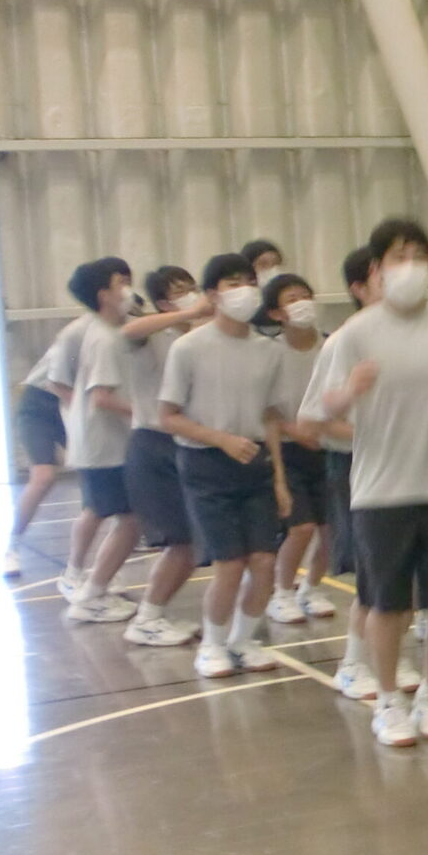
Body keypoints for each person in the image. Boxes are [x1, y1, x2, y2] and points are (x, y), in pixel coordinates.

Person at [302, 219, 428, 747]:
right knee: (387, 603)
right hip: (380, 491)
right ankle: (390, 699)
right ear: (376, 269)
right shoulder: (354, 335)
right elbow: (313, 416)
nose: (411, 266)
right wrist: (349, 391)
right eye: (399, 256)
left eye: (419, 256)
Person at [159, 253, 293, 679]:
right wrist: (221, 439)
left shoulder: (269, 351)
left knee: (264, 563)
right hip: (205, 463)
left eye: (249, 281)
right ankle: (212, 645)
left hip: (255, 461)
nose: (244, 290)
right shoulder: (188, 347)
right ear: (213, 294)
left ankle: (243, 640)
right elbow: (169, 416)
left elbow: (270, 417)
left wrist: (279, 479)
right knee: (230, 564)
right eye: (233, 283)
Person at [306, 246, 422, 703]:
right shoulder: (344, 342)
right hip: (357, 467)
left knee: (407, 574)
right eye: (386, 273)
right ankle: (354, 662)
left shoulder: (416, 337)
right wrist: (372, 435)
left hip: (411, 467)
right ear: (360, 287)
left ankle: (390, 654)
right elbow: (315, 421)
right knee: (374, 576)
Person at [116, 265, 212, 646]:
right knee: (181, 542)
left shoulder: (200, 340)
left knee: (191, 542)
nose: (191, 295)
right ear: (162, 303)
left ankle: (153, 615)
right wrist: (191, 312)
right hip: (154, 445)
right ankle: (147, 618)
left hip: (188, 446)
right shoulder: (154, 336)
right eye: (180, 291)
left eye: (192, 288)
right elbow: (128, 332)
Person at [60, 257, 144, 624]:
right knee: (130, 520)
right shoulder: (104, 338)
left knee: (115, 515)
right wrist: (149, 415)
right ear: (103, 295)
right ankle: (90, 593)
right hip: (105, 446)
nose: (128, 289)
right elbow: (103, 398)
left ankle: (88, 582)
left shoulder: (112, 330)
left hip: (106, 444)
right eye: (119, 283)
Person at [262, 272, 337, 628]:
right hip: (289, 451)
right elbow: (267, 414)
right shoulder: (269, 353)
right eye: (292, 299)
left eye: (305, 296)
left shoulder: (331, 346)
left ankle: (311, 588)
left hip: (328, 448)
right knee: (301, 527)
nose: (302, 304)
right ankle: (281, 592)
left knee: (332, 529)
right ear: (276, 313)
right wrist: (294, 433)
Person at [5, 313, 90, 578]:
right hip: (39, 407)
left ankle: (85, 563)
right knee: (43, 476)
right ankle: (12, 545)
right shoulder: (79, 335)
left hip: (73, 407)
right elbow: (58, 383)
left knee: (96, 474)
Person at [43, 281, 106, 599]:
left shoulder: (121, 328)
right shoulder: (76, 332)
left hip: (117, 432)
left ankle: (104, 574)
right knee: (95, 506)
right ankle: (73, 573)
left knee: (123, 513)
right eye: (120, 283)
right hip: (91, 430)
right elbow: (56, 382)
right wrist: (85, 416)